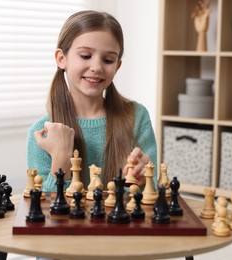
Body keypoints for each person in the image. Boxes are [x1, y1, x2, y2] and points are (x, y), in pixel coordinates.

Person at [27, 10, 157, 192]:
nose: (96, 67)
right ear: (61, 59)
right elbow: (45, 212)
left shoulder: (136, 117)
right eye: (86, 56)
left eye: (108, 60)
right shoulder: (41, 134)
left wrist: (143, 180)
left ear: (117, 66)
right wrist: (61, 158)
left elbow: (154, 194)